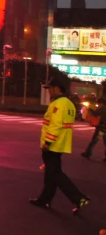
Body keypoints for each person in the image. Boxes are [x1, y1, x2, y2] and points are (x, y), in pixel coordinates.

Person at [30, 81, 90, 214]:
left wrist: (48, 142)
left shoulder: (58, 104)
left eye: (50, 88)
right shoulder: (69, 103)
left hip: (53, 145)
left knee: (55, 174)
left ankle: (78, 198)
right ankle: (45, 199)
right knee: (51, 173)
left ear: (57, 88)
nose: (49, 91)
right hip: (61, 143)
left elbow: (55, 124)